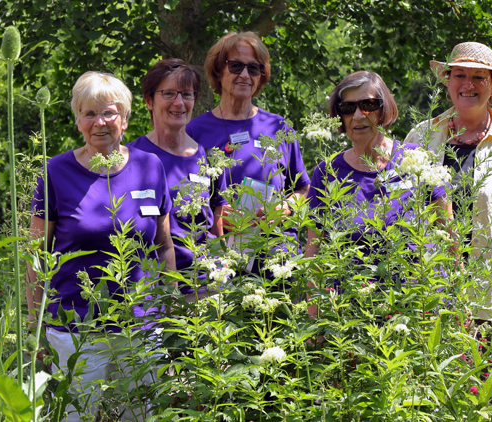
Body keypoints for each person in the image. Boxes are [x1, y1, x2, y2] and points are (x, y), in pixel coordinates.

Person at [27, 71, 175, 421]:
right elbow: (36, 256)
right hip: (76, 332)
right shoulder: (55, 172)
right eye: (89, 114)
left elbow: (164, 245)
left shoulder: (149, 167)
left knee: (140, 415)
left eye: (109, 113)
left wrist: (169, 308)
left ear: (125, 119)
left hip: (139, 329)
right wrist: (36, 327)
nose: (99, 123)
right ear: (78, 120)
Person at [305, 71, 450, 300]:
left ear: (384, 110)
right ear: (339, 116)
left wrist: (459, 302)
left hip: (418, 307)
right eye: (348, 108)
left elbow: (449, 236)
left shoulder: (420, 161)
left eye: (368, 105)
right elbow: (314, 252)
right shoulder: (327, 172)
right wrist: (313, 321)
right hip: (350, 315)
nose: (358, 115)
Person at [405, 42, 492, 322]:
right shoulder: (420, 138)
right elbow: (401, 213)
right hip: (428, 295)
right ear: (447, 81)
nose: (469, 84)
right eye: (459, 75)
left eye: (479, 76)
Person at [186, 31, 310, 275]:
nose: (244, 74)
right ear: (218, 70)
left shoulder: (279, 128)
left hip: (277, 256)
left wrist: (284, 208)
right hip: (220, 259)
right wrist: (215, 214)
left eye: (254, 68)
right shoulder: (195, 130)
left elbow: (303, 188)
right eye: (236, 66)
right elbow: (183, 193)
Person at [129, 58, 227, 298]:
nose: (179, 102)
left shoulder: (210, 159)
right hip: (148, 293)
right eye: (169, 93)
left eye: (187, 94)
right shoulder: (131, 159)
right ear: (149, 100)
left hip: (201, 288)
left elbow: (216, 226)